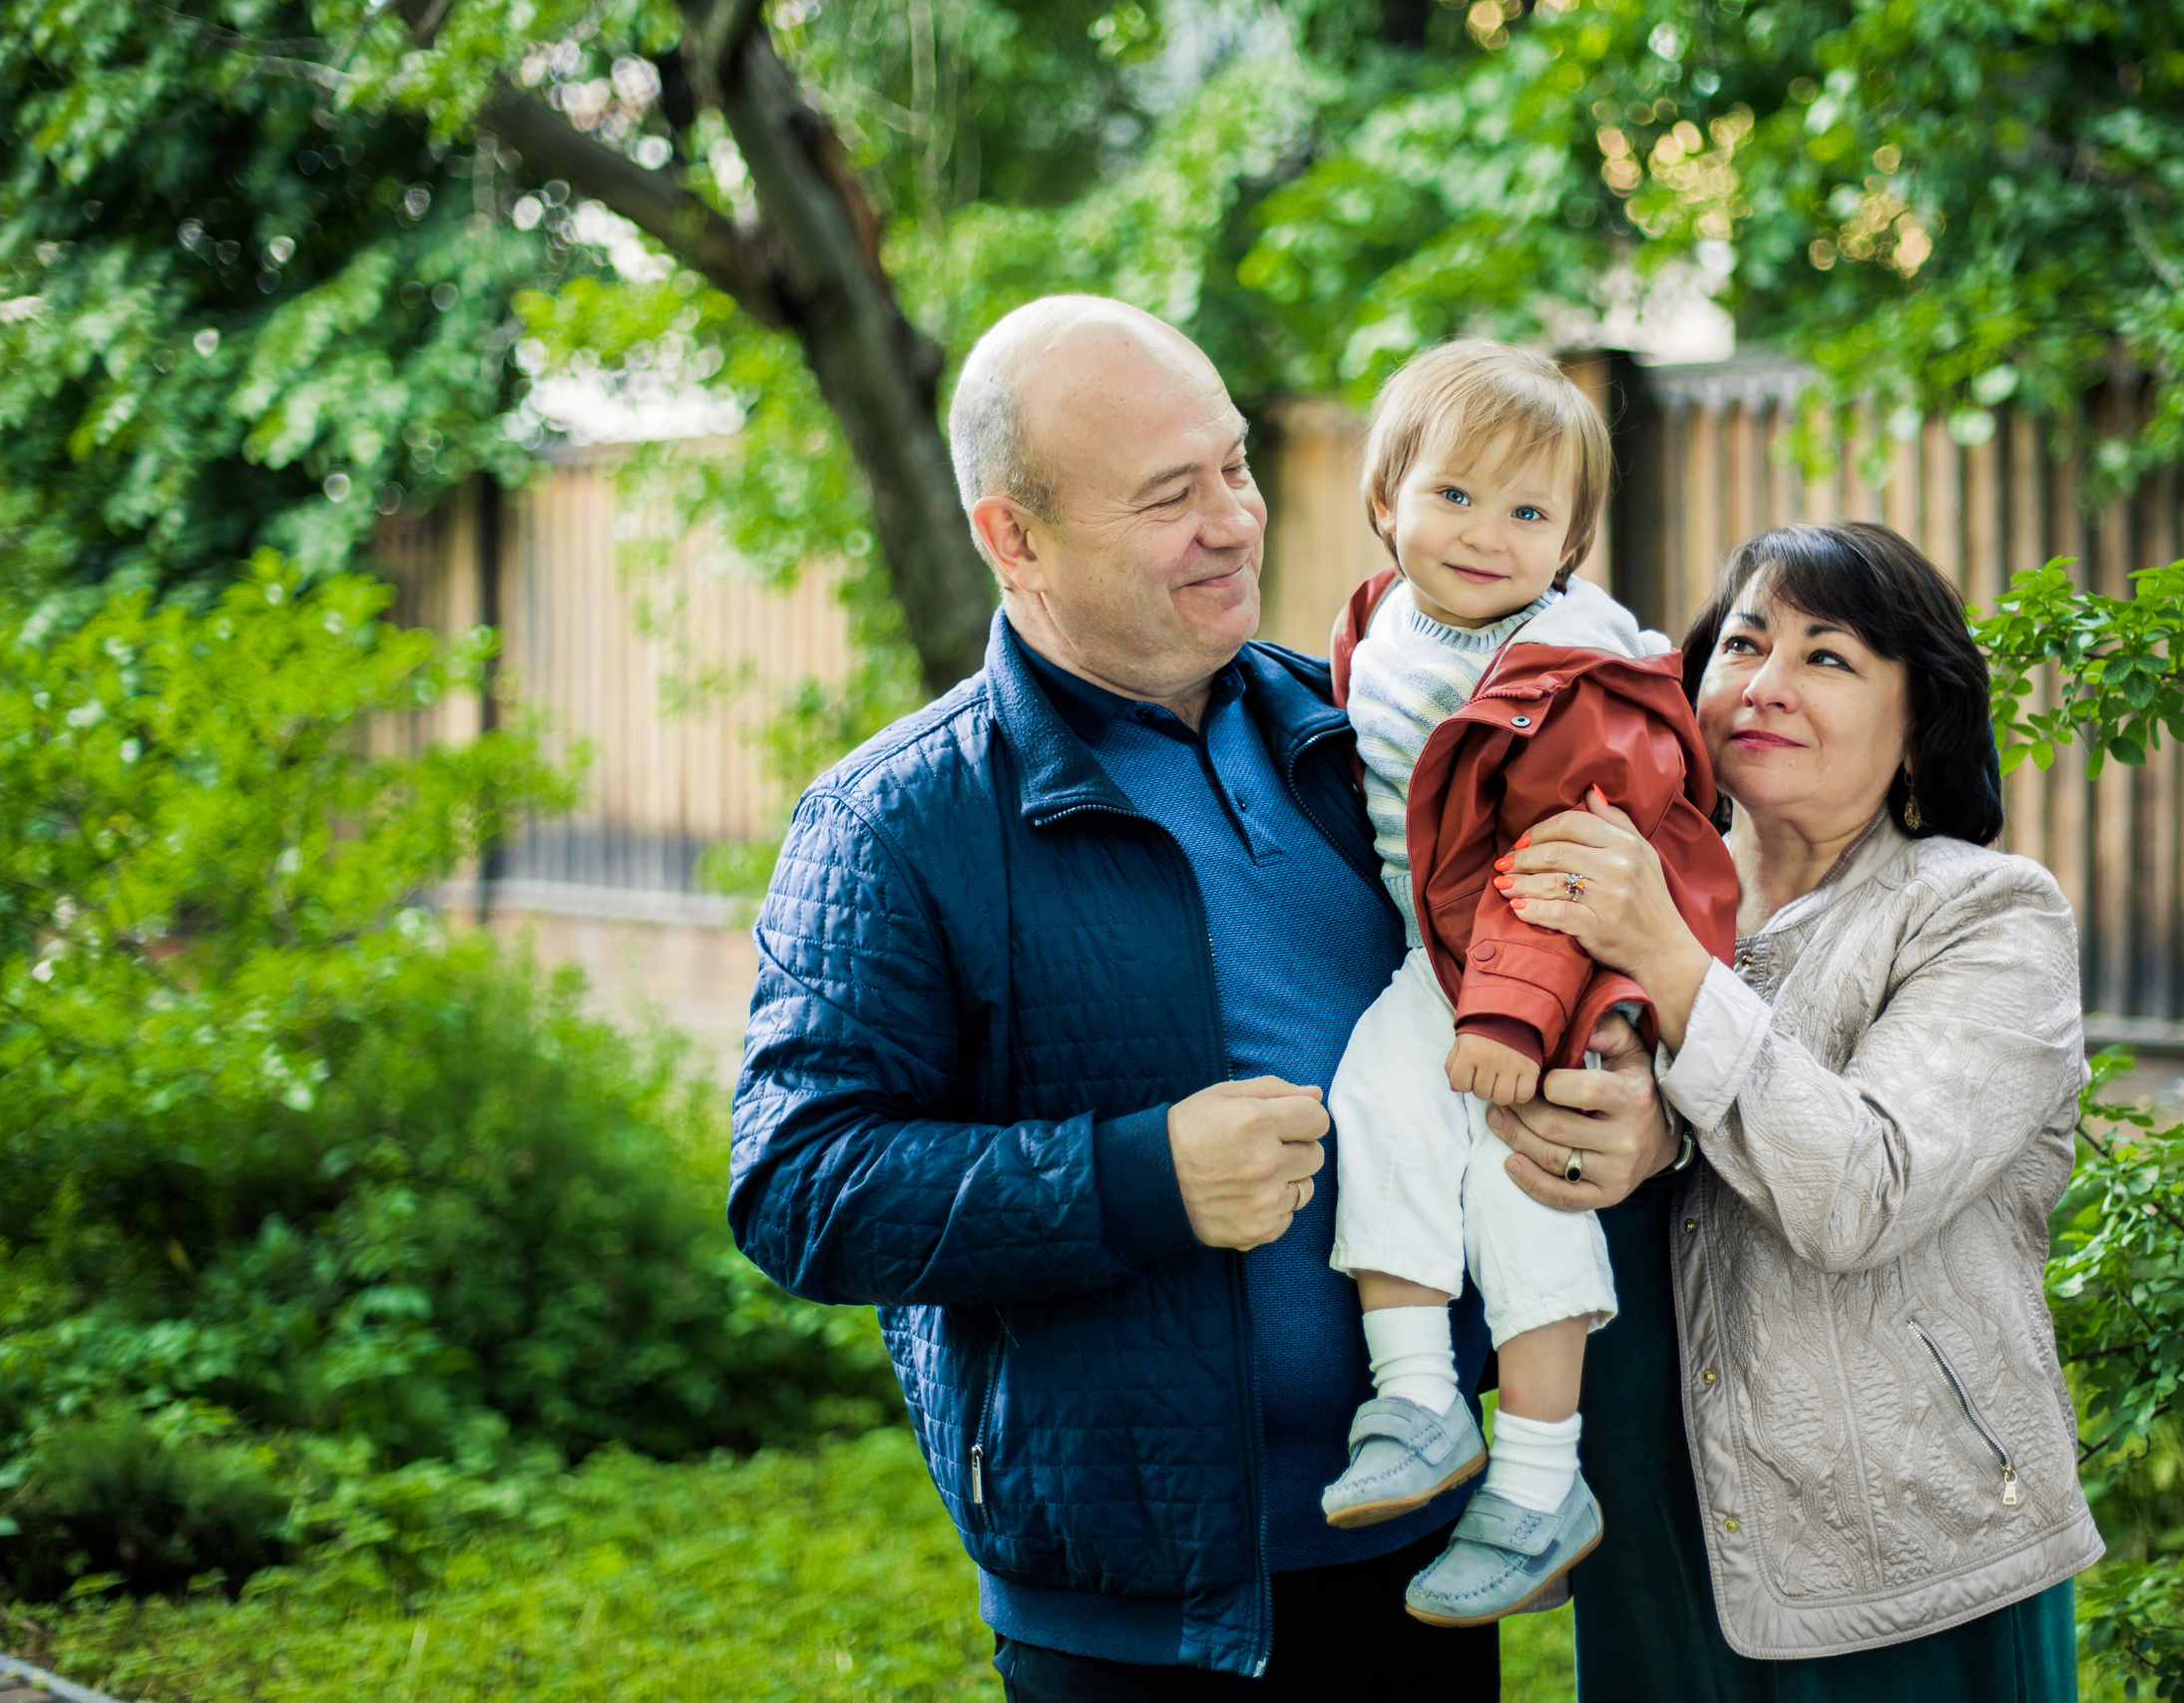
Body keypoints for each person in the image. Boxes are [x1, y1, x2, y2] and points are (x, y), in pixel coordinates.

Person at [724, 295, 1675, 1701]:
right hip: (1138, 1611)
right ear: (1014, 535)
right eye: (1172, 494)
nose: (1235, 519)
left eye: (1233, 466)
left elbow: (1549, 956)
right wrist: (1134, 1175)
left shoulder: (1362, 730)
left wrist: (1631, 1102)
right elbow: (797, 1184)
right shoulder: (891, 821)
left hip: (1415, 1562)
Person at [1494, 521, 2101, 1699]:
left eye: (1827, 658)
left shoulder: (1984, 913)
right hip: (1651, 1516)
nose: (1764, 686)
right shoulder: (1632, 883)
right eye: (1743, 644)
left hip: (1899, 1549)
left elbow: (1861, 1193)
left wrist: (1665, 962)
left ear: (1917, 718)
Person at [1310, 341, 1738, 1629]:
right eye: (1454, 495)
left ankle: (1544, 1479)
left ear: (1572, 543)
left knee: (1525, 1178)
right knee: (1374, 1101)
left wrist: (1514, 1010)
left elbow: (1567, 863)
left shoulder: (1576, 673)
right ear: (1387, 495)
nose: (1487, 534)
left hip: (1552, 969)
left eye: (1529, 512)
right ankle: (1418, 1401)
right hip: (1437, 956)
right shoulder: (1383, 618)